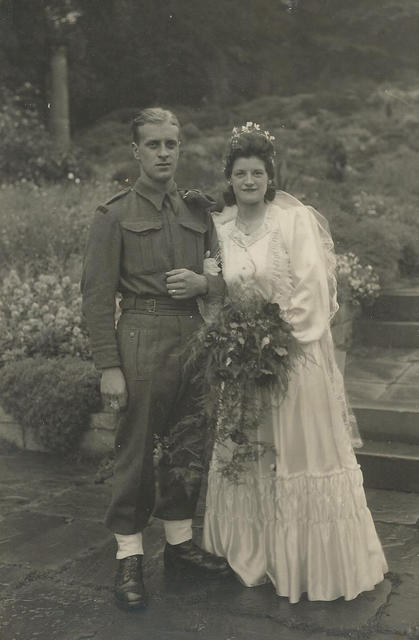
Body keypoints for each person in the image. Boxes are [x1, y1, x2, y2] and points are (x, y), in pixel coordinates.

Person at [202, 123, 388, 603]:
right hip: (242, 366)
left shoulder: (293, 221)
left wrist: (271, 343)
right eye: (240, 172)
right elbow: (217, 295)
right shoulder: (218, 228)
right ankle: (253, 551)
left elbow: (312, 293)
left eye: (257, 172)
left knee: (298, 457)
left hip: (292, 360)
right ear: (229, 176)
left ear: (269, 176)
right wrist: (236, 344)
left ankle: (308, 564)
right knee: (251, 457)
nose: (249, 180)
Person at [81, 107, 230, 611]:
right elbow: (96, 297)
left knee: (191, 442)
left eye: (172, 144)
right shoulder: (114, 214)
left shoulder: (197, 211)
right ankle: (128, 556)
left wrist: (206, 283)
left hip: (193, 335)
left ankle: (181, 543)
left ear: (180, 147)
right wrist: (108, 365)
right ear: (136, 151)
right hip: (140, 335)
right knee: (136, 449)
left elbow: (224, 277)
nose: (164, 153)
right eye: (154, 145)